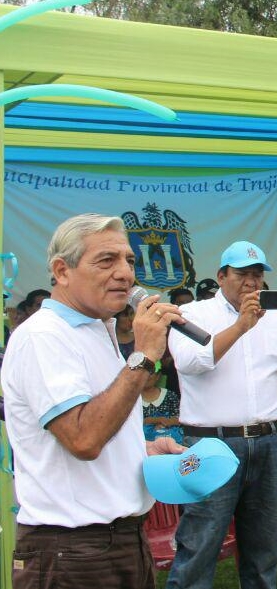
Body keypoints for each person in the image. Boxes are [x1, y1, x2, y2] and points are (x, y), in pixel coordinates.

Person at [2, 213, 184, 589]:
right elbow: (84, 439)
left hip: (120, 540)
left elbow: (98, 428)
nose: (125, 274)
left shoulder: (96, 330)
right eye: (107, 261)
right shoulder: (44, 336)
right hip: (72, 550)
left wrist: (146, 449)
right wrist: (144, 356)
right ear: (61, 271)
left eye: (130, 261)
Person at [166, 240, 277, 589]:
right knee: (201, 543)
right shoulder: (193, 314)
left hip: (269, 441)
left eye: (257, 274)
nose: (251, 282)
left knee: (263, 547)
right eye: (242, 274)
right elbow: (191, 363)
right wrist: (241, 326)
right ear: (221, 276)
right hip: (212, 444)